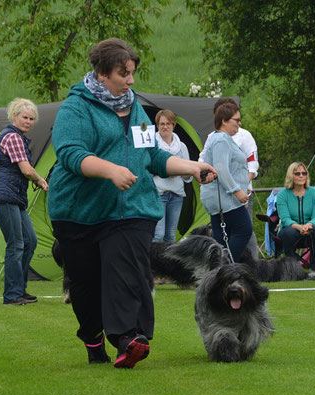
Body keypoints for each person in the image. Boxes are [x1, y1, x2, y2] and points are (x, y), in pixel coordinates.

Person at [48, 38, 216, 369]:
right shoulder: (75, 109)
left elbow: (151, 156)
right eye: (123, 73)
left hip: (129, 207)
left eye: (132, 73)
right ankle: (93, 340)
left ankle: (129, 338)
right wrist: (110, 171)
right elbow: (70, 155)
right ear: (100, 73)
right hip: (78, 212)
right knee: (85, 287)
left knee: (125, 267)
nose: (131, 80)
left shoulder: (135, 108)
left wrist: (192, 167)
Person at [0, 98, 48, 305]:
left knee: (30, 241)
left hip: (13, 196)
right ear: (14, 116)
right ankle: (12, 294)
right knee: (16, 244)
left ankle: (19, 289)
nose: (28, 121)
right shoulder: (12, 137)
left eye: (31, 119)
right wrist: (40, 180)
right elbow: (26, 169)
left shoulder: (18, 138)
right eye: (24, 117)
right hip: (4, 196)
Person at [199, 97, 260, 259]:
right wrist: (237, 191)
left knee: (221, 239)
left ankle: (218, 273)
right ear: (225, 121)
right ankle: (223, 268)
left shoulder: (219, 139)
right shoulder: (221, 140)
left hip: (220, 199)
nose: (239, 124)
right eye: (237, 120)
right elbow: (221, 168)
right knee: (244, 230)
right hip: (225, 199)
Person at [275, 162, 315, 272]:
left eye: (304, 173)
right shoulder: (283, 195)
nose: (301, 176)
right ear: (290, 176)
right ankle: (293, 269)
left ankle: (314, 269)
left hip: (310, 227)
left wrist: (308, 225)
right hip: (291, 229)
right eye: (297, 173)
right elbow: (285, 218)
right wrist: (299, 227)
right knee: (289, 233)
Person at [152, 109, 192, 242]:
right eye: (162, 124)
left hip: (176, 195)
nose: (165, 127)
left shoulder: (182, 147)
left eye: (168, 123)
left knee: (170, 236)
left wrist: (181, 171)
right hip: (159, 194)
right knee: (158, 234)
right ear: (157, 125)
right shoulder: (152, 146)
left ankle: (167, 263)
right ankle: (153, 262)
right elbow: (147, 169)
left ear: (173, 125)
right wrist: (167, 170)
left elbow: (188, 176)